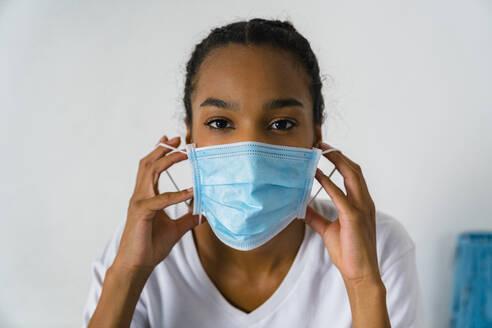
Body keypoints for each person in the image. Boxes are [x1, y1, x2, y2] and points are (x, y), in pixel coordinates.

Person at [82, 18, 426, 327]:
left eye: (281, 124)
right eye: (220, 122)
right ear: (190, 137)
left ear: (316, 135)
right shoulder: (139, 245)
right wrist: (128, 272)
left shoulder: (379, 246)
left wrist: (363, 282)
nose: (251, 155)